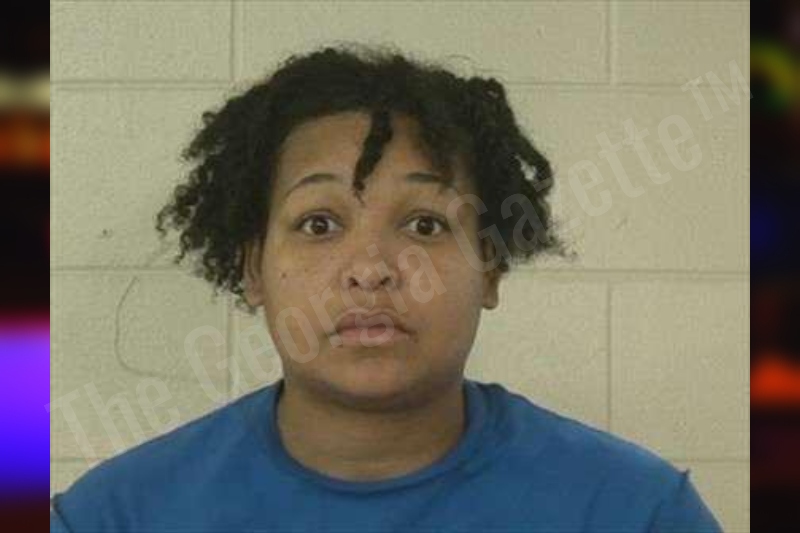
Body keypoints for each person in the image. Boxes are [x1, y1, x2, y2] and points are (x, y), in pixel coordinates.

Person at [50, 44, 723, 532]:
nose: (370, 268)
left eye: (425, 224)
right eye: (319, 223)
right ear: (253, 268)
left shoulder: (634, 512)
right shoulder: (115, 517)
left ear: (489, 268)